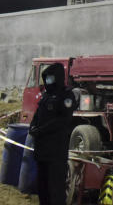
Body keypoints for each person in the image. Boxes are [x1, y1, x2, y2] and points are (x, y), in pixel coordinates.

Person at [30, 62, 77, 205]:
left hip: (56, 152)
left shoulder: (66, 96)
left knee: (55, 190)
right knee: (43, 189)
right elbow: (38, 115)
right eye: (47, 78)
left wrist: (42, 130)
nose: (48, 81)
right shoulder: (46, 96)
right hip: (42, 151)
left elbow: (63, 120)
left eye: (50, 78)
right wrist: (32, 127)